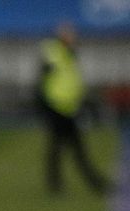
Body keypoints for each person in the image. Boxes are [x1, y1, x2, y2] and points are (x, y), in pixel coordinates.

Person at [36, 21, 110, 195]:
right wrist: (44, 105)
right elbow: (42, 81)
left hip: (69, 108)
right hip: (57, 108)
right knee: (63, 149)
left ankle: (83, 183)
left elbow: (72, 81)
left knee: (67, 149)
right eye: (69, 35)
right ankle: (62, 185)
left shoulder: (69, 54)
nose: (72, 37)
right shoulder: (54, 53)